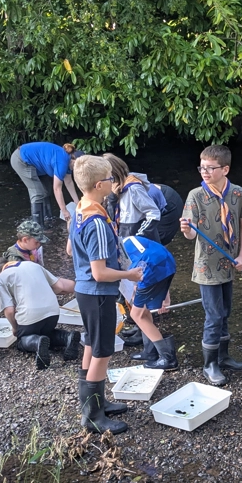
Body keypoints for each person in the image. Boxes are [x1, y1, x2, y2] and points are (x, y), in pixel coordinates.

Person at [66, 155, 143, 434]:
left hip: (84, 290)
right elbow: (100, 273)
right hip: (97, 292)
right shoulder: (97, 222)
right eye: (111, 179)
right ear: (100, 185)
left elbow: (70, 250)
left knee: (90, 344)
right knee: (102, 351)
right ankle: (94, 415)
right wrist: (129, 276)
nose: (114, 182)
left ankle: (94, 402)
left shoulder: (79, 208)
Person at [180, 144, 242, 385]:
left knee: (226, 311)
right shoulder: (196, 195)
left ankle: (223, 355)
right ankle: (209, 364)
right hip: (206, 267)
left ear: (225, 169)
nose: (205, 172)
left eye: (210, 168)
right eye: (202, 167)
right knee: (214, 315)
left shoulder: (238, 193)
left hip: (229, 264)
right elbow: (190, 235)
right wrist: (187, 231)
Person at [0, 254, 81, 370]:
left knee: (22, 341)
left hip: (30, 315)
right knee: (47, 333)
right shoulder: (33, 265)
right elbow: (59, 286)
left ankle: (36, 342)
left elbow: (9, 310)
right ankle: (67, 337)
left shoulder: (0, 279)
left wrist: (15, 327)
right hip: (53, 312)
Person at [122, 235, 178, 370]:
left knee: (137, 315)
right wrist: (165, 297)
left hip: (150, 268)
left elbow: (126, 275)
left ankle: (168, 358)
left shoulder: (111, 252)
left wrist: (165, 298)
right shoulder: (125, 240)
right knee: (143, 309)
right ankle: (150, 351)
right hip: (167, 262)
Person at [9, 141, 80, 227]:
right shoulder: (62, 161)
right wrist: (64, 211)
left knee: (46, 190)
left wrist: (78, 204)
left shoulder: (69, 162)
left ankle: (48, 220)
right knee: (38, 193)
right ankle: (38, 229)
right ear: (73, 158)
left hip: (36, 164)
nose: (79, 168)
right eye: (78, 164)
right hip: (21, 159)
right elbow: (57, 189)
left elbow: (69, 182)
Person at [104, 153, 162, 241]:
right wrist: (112, 198)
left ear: (112, 173)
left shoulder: (133, 188)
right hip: (124, 237)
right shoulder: (112, 189)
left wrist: (139, 236)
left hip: (141, 242)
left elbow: (153, 213)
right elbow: (111, 219)